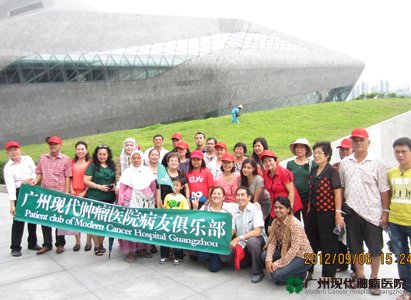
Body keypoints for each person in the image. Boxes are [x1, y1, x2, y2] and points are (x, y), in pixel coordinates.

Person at [339, 128, 390, 295]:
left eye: (362, 139)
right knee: (355, 248)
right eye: (355, 140)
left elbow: (383, 189)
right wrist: (340, 211)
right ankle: (360, 275)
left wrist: (385, 212)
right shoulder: (345, 163)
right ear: (351, 142)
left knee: (375, 249)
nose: (358, 142)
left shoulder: (378, 162)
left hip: (372, 214)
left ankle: (374, 279)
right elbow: (342, 188)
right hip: (352, 213)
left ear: (369, 142)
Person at [305, 141, 343, 280]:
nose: (316, 156)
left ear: (327, 155)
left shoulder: (332, 171)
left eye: (319, 153)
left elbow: (338, 193)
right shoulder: (314, 170)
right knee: (310, 241)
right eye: (314, 153)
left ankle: (328, 273)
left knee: (329, 243)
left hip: (327, 212)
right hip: (313, 212)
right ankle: (308, 269)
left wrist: (338, 214)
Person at [30, 136, 72, 255]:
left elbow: (68, 176)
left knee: (59, 220)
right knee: (45, 220)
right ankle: (47, 244)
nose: (53, 146)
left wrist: (67, 192)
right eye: (51, 144)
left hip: (59, 194)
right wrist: (35, 181)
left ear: (60, 145)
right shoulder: (43, 158)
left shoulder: (65, 159)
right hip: (45, 195)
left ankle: (60, 244)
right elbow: (39, 173)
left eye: (55, 144)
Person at [262, 197, 313, 285]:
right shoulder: (275, 222)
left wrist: (277, 264)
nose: (277, 210)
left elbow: (294, 250)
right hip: (286, 252)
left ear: (288, 209)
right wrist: (269, 260)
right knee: (264, 256)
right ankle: (286, 275)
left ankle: (304, 275)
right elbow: (273, 242)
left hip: (302, 257)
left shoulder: (295, 224)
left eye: (281, 208)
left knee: (276, 275)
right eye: (276, 207)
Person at [118, 149, 157, 262]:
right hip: (130, 200)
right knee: (131, 225)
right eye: (133, 158)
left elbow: (153, 185)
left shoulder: (147, 171)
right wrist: (121, 202)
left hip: (146, 201)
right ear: (131, 159)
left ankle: (143, 248)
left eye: (138, 157)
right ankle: (131, 251)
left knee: (144, 225)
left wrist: (152, 199)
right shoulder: (127, 172)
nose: (136, 160)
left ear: (142, 159)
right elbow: (122, 188)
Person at [220, 186, 265, 283]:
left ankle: (258, 271)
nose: (240, 197)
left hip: (257, 240)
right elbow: (232, 229)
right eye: (238, 195)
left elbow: (258, 231)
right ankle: (248, 261)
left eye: (243, 195)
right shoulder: (234, 211)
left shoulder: (255, 209)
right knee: (224, 256)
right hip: (242, 243)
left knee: (252, 242)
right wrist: (226, 240)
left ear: (249, 197)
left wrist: (237, 239)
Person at [4, 141, 40, 257]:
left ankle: (33, 243)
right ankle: (15, 247)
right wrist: (12, 204)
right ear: (7, 153)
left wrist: (31, 178)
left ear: (20, 149)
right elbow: (10, 187)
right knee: (18, 219)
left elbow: (36, 172)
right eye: (11, 150)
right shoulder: (8, 168)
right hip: (19, 191)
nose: (14, 152)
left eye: (15, 149)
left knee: (32, 217)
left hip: (31, 189)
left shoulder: (28, 159)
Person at [387, 137, 411, 300]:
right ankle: (407, 290)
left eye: (404, 151)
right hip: (395, 222)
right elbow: (388, 196)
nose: (400, 155)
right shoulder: (391, 172)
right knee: (402, 259)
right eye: (397, 152)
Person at [83, 144, 116, 256]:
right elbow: (86, 180)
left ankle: (101, 244)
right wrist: (98, 186)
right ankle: (96, 245)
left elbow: (116, 179)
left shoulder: (112, 165)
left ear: (108, 155)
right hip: (95, 198)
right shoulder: (92, 165)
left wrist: (113, 185)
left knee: (105, 224)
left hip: (109, 199)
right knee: (94, 223)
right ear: (96, 155)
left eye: (104, 154)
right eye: (100, 154)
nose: (102, 156)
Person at [196, 186, 238, 272]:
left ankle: (217, 257)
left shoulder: (230, 207)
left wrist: (256, 205)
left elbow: (232, 228)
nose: (216, 195)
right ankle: (208, 255)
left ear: (223, 197)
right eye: (214, 193)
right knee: (202, 256)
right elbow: (195, 220)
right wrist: (195, 208)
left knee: (214, 268)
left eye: (219, 194)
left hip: (221, 243)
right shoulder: (205, 208)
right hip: (207, 240)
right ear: (211, 196)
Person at [261, 150, 303, 226]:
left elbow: (291, 192)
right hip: (276, 207)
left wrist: (289, 210)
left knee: (291, 230)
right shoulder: (265, 174)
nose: (268, 163)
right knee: (271, 229)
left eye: (270, 160)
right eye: (265, 162)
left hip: (290, 205)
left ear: (275, 160)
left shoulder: (283, 172)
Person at [331, 138, 353, 273]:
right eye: (342, 149)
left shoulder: (357, 166)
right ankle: (342, 262)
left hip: (353, 206)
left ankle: (356, 267)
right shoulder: (334, 167)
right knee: (339, 235)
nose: (344, 151)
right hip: (338, 206)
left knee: (354, 238)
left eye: (347, 149)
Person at [159, 177, 189, 264]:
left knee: (178, 239)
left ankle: (178, 257)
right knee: (164, 238)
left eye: (177, 185)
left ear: (181, 187)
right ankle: (164, 255)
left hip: (178, 222)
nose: (175, 187)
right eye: (173, 185)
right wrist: (161, 206)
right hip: (168, 221)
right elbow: (165, 208)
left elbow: (186, 211)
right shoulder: (167, 196)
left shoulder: (182, 198)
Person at [70, 141, 92, 252]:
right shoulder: (72, 162)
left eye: (82, 149)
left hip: (87, 193)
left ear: (86, 150)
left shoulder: (90, 162)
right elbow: (68, 177)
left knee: (88, 219)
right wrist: (71, 190)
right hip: (74, 193)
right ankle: (77, 242)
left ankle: (88, 241)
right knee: (75, 219)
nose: (80, 151)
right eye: (78, 149)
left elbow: (92, 179)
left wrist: (84, 192)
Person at [286, 138, 313, 222]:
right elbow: (287, 180)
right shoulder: (290, 163)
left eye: (302, 147)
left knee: (308, 222)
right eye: (297, 147)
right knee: (295, 222)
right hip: (295, 197)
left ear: (306, 149)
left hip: (308, 197)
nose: (299, 149)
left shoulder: (312, 163)